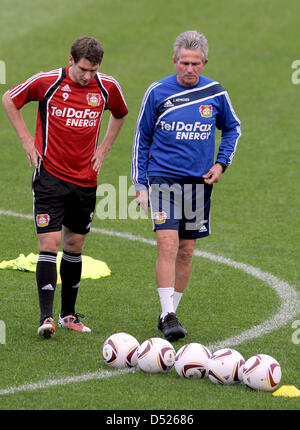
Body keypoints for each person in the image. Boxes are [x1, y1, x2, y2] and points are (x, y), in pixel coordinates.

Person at [2, 36, 128, 338]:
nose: (88, 76)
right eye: (84, 69)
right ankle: (46, 318)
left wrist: (104, 149)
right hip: (49, 177)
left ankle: (68, 315)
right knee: (49, 244)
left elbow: (120, 113)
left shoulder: (106, 86)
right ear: (70, 60)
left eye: (93, 70)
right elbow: (10, 98)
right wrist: (25, 140)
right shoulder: (48, 82)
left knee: (74, 246)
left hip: (85, 180)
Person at [131, 30, 241, 342]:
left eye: (195, 63)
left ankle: (169, 314)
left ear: (205, 62)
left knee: (187, 249)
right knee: (167, 243)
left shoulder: (216, 94)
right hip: (163, 178)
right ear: (175, 61)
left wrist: (221, 163)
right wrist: (140, 184)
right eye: (184, 63)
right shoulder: (157, 92)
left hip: (199, 185)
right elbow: (142, 138)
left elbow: (233, 128)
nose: (189, 69)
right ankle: (168, 314)